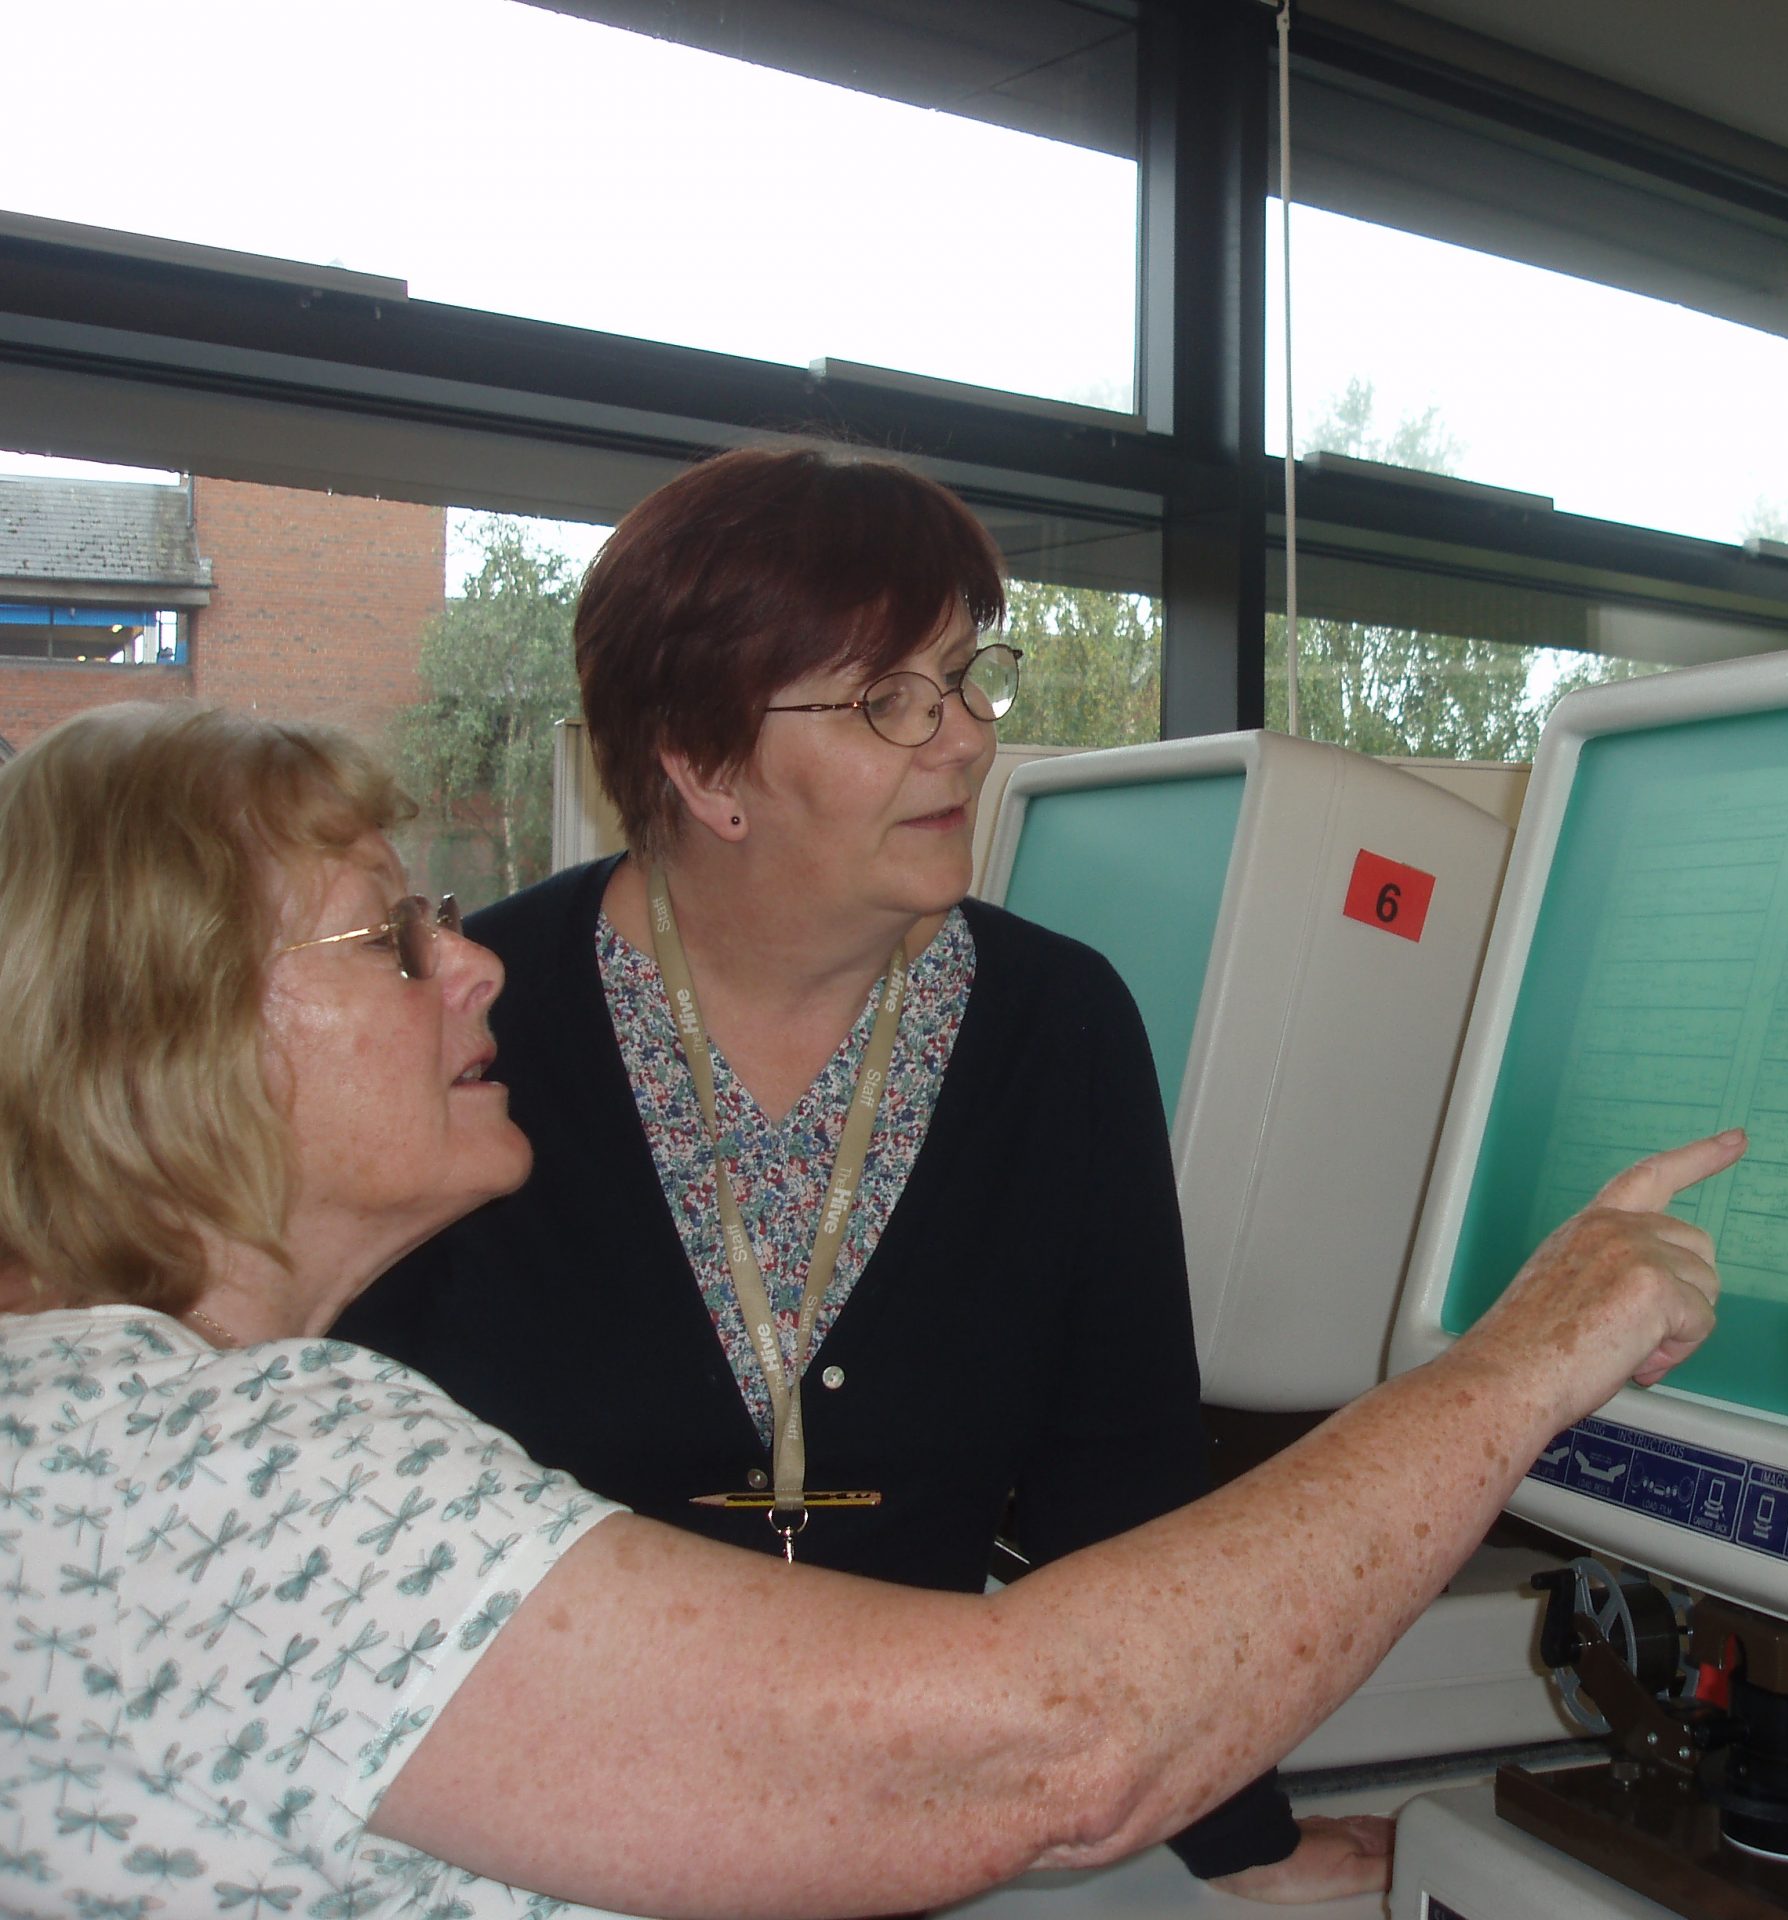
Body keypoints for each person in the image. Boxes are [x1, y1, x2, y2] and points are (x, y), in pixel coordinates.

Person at [0, 699, 1742, 1920]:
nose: (472, 966)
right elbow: (1057, 1746)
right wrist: (1525, 1358)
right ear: (177, 1030)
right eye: (390, 942)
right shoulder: (223, 1477)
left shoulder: (82, 1423)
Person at [336, 448, 1329, 1894]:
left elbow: (1123, 1498)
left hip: (916, 1845)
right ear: (705, 766)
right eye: (892, 701)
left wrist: (1240, 1853)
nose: (971, 739)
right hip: (535, 1849)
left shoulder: (1057, 1028)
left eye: (967, 678)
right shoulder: (485, 1033)